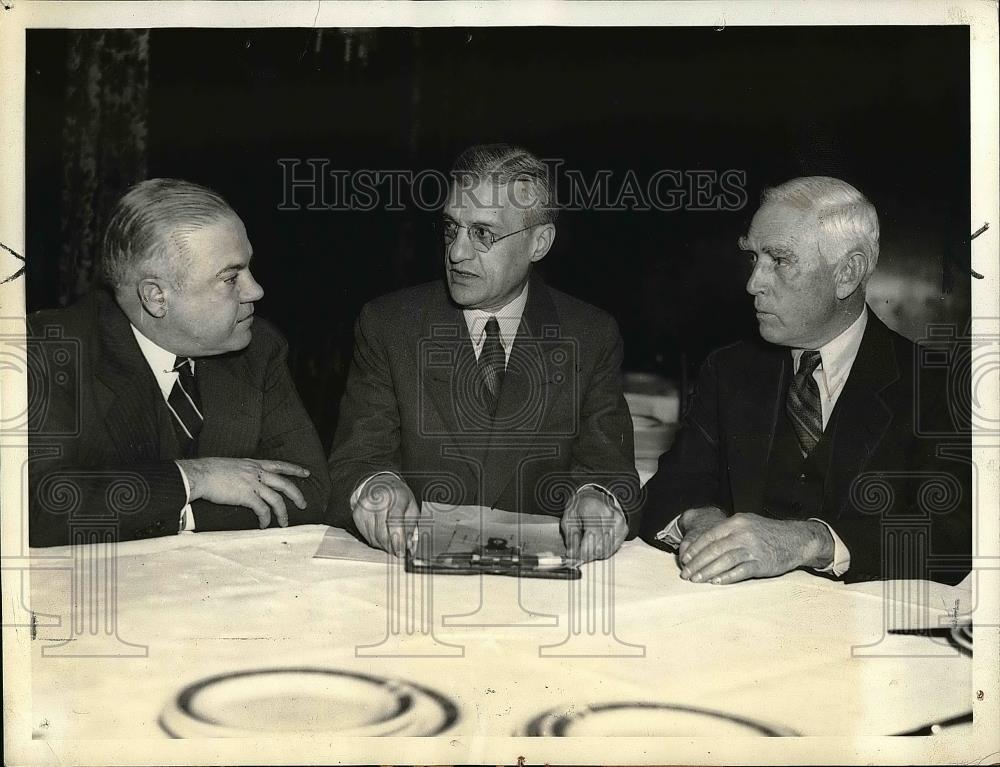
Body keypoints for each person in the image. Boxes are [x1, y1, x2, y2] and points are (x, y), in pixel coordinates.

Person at [639, 176, 971, 585]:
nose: (753, 284)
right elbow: (668, 489)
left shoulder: (939, 386)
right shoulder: (728, 371)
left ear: (848, 273)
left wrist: (813, 542)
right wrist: (700, 519)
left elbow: (955, 536)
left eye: (779, 260)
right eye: (754, 259)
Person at [328, 143, 640, 561]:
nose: (457, 252)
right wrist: (376, 487)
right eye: (451, 228)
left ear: (539, 243)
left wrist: (596, 497)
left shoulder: (589, 335)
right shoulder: (390, 325)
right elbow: (356, 459)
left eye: (483, 233)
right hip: (408, 575)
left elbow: (610, 470)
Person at [28, 178, 330, 546]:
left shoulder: (259, 347)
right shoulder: (47, 352)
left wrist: (178, 513)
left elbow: (308, 491)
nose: (256, 291)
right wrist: (194, 479)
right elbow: (37, 508)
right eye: (231, 277)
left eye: (249, 268)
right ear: (156, 297)